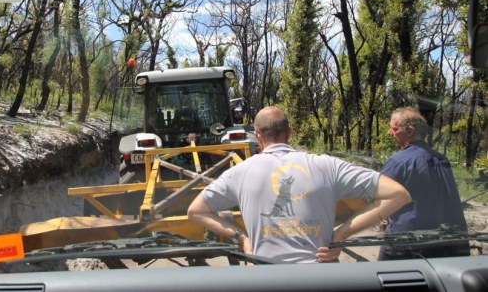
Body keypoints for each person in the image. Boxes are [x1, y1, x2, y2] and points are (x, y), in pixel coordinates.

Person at [187, 106, 411, 263]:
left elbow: (195, 211)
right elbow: (398, 194)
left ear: (258, 136)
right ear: (290, 132)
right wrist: (340, 234)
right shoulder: (328, 166)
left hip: (267, 276)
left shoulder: (238, 173)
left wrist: (241, 238)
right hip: (319, 275)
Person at [378, 107, 471, 260]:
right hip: (447, 243)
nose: (389, 132)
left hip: (406, 244)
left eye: (394, 128)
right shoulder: (441, 159)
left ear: (409, 131)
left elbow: (374, 193)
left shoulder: (399, 161)